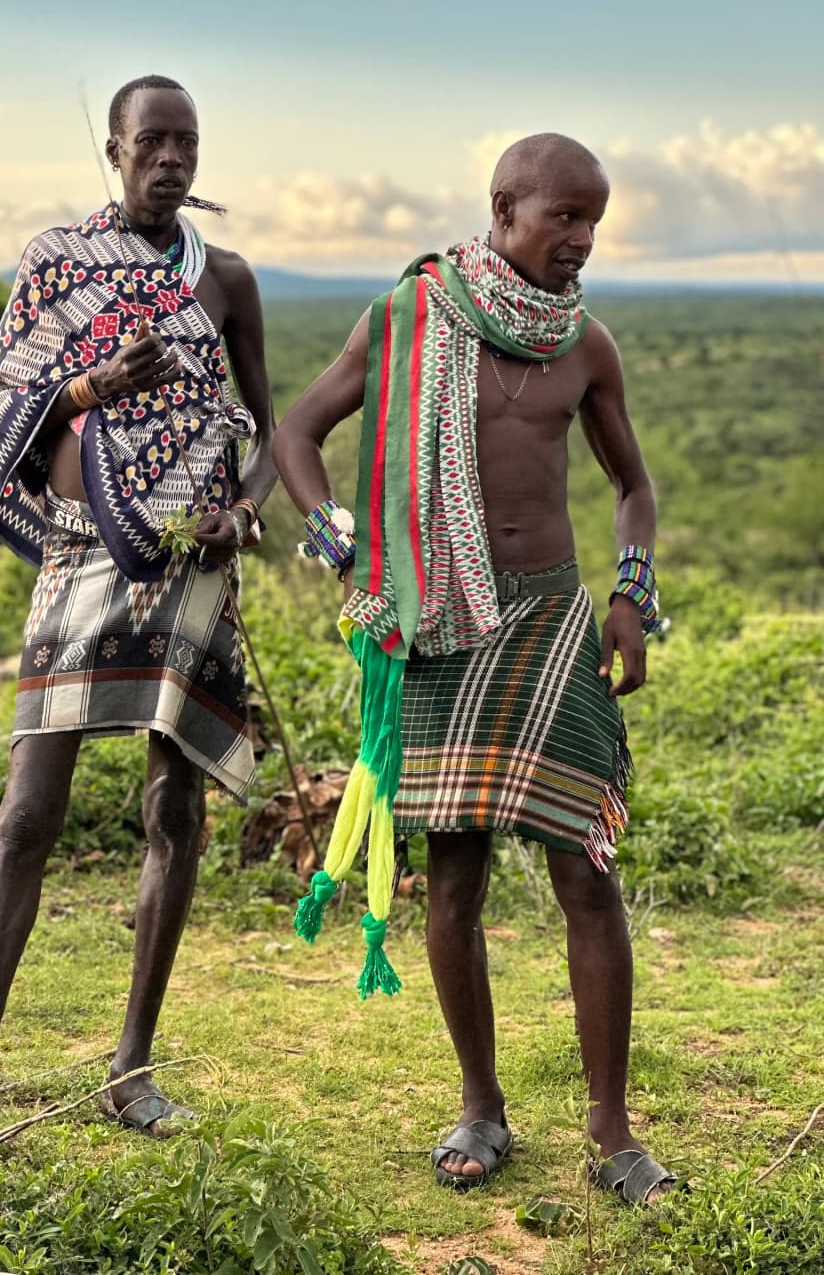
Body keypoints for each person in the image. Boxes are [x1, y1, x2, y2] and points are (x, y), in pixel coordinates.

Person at [273, 134, 677, 1207]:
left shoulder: (584, 346)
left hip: (548, 621)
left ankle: (611, 1131)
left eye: (595, 221)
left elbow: (632, 486)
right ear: (506, 207)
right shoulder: (405, 319)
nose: (582, 241)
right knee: (450, 878)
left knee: (584, 872)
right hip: (435, 621)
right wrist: (337, 539)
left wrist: (632, 591)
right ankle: (480, 1107)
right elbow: (296, 434)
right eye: (564, 218)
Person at [0, 74, 275, 1175]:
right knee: (27, 813)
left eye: (185, 143)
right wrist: (87, 385)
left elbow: (265, 423)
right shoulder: (57, 262)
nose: (170, 159)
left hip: (195, 564)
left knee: (174, 808)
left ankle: (132, 1067)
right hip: (83, 550)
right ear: (112, 150)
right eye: (150, 141)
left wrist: (244, 509)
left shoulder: (229, 279)